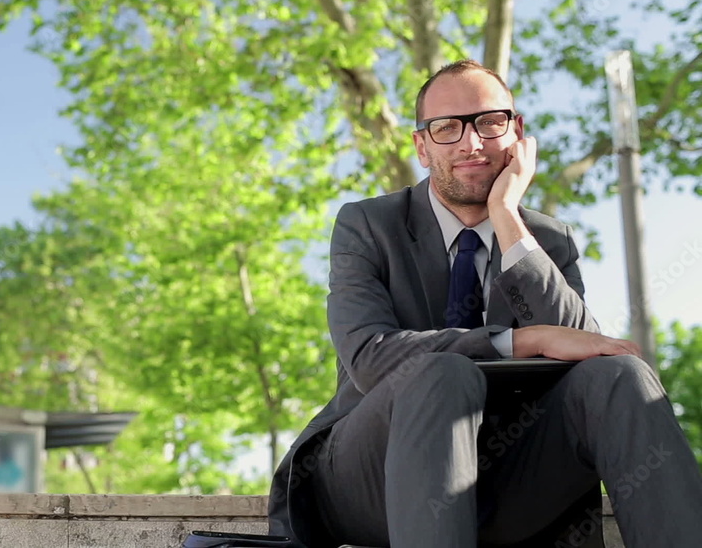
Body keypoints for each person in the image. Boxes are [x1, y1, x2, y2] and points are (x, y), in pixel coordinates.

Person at [267, 59, 702, 548]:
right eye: (447, 128)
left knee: (622, 374)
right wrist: (521, 340)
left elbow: (585, 351)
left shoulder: (548, 241)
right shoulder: (367, 226)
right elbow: (371, 359)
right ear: (422, 147)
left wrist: (508, 217)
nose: (472, 143)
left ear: (516, 133)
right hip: (371, 480)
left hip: (507, 478)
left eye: (489, 122)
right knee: (441, 373)